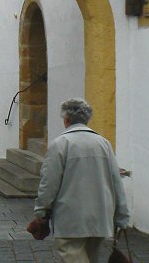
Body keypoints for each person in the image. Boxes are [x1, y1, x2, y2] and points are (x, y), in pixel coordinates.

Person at [30, 98, 129, 263]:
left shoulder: (60, 144)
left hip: (70, 219)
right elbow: (116, 182)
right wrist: (122, 215)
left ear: (66, 119)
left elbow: (49, 183)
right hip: (100, 217)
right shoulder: (103, 143)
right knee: (91, 258)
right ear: (87, 119)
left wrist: (41, 211)